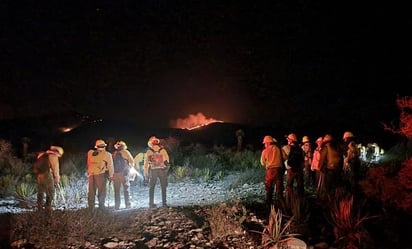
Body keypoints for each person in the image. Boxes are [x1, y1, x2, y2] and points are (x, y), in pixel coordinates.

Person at [87, 139, 114, 211]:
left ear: (96, 146)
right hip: (100, 174)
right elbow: (110, 166)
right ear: (104, 146)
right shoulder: (107, 154)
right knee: (102, 191)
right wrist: (111, 175)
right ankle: (101, 207)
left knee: (91, 191)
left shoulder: (90, 153)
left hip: (91, 174)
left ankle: (91, 207)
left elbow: (88, 164)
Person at [143, 136, 171, 208]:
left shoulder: (149, 151)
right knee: (163, 187)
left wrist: (145, 173)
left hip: (153, 171)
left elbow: (146, 163)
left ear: (151, 143)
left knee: (152, 187)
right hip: (162, 170)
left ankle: (151, 203)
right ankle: (164, 203)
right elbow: (167, 161)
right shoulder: (163, 150)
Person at [35, 145, 63, 211]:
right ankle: (48, 206)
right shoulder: (53, 156)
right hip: (47, 174)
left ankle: (39, 206)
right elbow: (55, 168)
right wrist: (57, 177)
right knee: (51, 190)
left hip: (40, 175)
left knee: (41, 190)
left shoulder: (44, 154)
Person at [260, 135, 284, 206]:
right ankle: (282, 205)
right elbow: (284, 157)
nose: (264, 144)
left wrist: (268, 163)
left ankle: (269, 205)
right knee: (279, 190)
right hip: (278, 171)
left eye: (265, 143)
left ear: (267, 143)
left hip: (270, 171)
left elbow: (262, 163)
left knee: (269, 189)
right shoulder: (278, 149)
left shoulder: (265, 151)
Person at [318, 134, 343, 199]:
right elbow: (341, 159)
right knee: (336, 188)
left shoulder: (326, 147)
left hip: (330, 171)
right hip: (338, 171)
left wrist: (319, 168)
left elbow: (322, 159)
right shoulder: (338, 148)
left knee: (328, 189)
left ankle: (330, 203)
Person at [112, 140, 135, 210]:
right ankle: (127, 204)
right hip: (124, 173)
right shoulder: (126, 152)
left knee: (116, 190)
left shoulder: (114, 153)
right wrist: (129, 169)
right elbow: (132, 162)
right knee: (126, 189)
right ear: (123, 146)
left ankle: (117, 206)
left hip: (115, 174)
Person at [283, 133, 305, 203]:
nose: (287, 140)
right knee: (300, 185)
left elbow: (285, 158)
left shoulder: (287, 148)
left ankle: (289, 200)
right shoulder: (300, 149)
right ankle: (301, 200)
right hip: (299, 169)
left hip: (291, 169)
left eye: (288, 139)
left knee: (289, 185)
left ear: (291, 140)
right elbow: (302, 159)